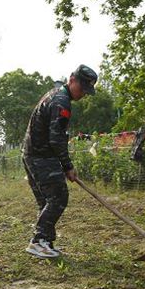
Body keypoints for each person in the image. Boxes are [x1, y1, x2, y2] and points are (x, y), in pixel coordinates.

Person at [23, 64, 97, 258]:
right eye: (82, 89)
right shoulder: (62, 101)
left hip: (32, 154)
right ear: (72, 79)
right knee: (58, 197)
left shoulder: (55, 94)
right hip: (41, 156)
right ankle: (38, 242)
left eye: (86, 91)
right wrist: (67, 166)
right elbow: (56, 139)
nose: (83, 94)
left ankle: (45, 242)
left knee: (47, 201)